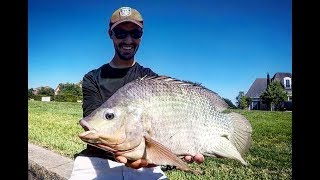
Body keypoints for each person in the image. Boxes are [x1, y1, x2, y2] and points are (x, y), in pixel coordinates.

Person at [69, 6, 204, 180]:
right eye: (120, 33)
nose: (128, 39)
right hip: (98, 160)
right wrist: (127, 152)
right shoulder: (93, 78)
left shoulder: (150, 79)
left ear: (141, 35)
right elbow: (96, 128)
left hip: (145, 163)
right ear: (110, 34)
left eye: (135, 33)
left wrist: (171, 148)